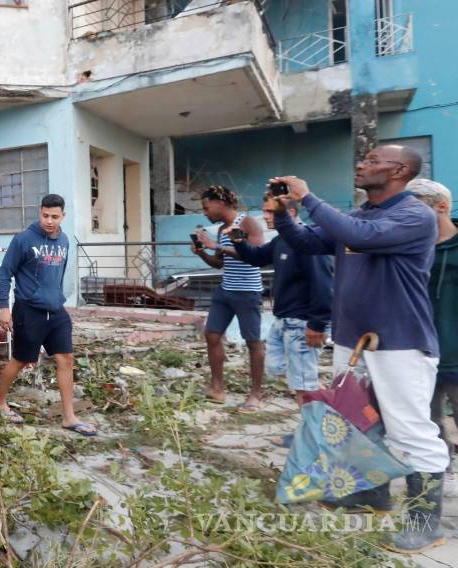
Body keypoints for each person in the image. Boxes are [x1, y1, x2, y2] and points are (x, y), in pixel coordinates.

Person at [270, 144, 447, 553]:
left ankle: (425, 521)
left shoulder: (414, 215)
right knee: (359, 423)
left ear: (399, 170)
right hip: (353, 339)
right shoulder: (359, 215)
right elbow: (304, 241)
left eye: (372, 161)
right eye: (363, 159)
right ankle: (372, 495)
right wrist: (283, 212)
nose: (362, 165)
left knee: (412, 432)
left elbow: (360, 237)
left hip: (399, 341)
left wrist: (308, 197)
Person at [230, 194, 333, 447]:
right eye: (264, 211)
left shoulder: (309, 243)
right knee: (285, 372)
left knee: (303, 385)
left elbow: (324, 284)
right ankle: (323, 416)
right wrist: (240, 243)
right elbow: (256, 258)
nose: (264, 216)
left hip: (301, 323)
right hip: (282, 321)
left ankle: (314, 437)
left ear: (291, 213)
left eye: (270, 211)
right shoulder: (281, 240)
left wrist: (317, 324)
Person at [0, 194, 96, 436]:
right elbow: (4, 273)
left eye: (55, 216)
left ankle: (69, 417)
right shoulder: (23, 240)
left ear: (63, 216)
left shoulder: (64, 240)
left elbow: (59, 275)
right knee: (21, 359)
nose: (49, 221)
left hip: (56, 310)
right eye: (45, 215)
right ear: (39, 212)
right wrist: (4, 307)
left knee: (66, 359)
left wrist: (57, 298)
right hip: (28, 309)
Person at [191, 186, 267, 410]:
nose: (205, 212)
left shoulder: (248, 223)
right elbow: (220, 263)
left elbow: (258, 256)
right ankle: (217, 389)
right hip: (226, 290)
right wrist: (204, 252)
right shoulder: (222, 228)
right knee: (212, 335)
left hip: (248, 291)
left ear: (220, 203)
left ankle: (256, 394)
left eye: (206, 207)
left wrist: (219, 247)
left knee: (253, 342)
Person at [408, 180, 458, 463]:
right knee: (428, 420)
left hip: (455, 352)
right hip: (420, 350)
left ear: (441, 207)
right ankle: (440, 470)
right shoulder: (411, 248)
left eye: (415, 207)